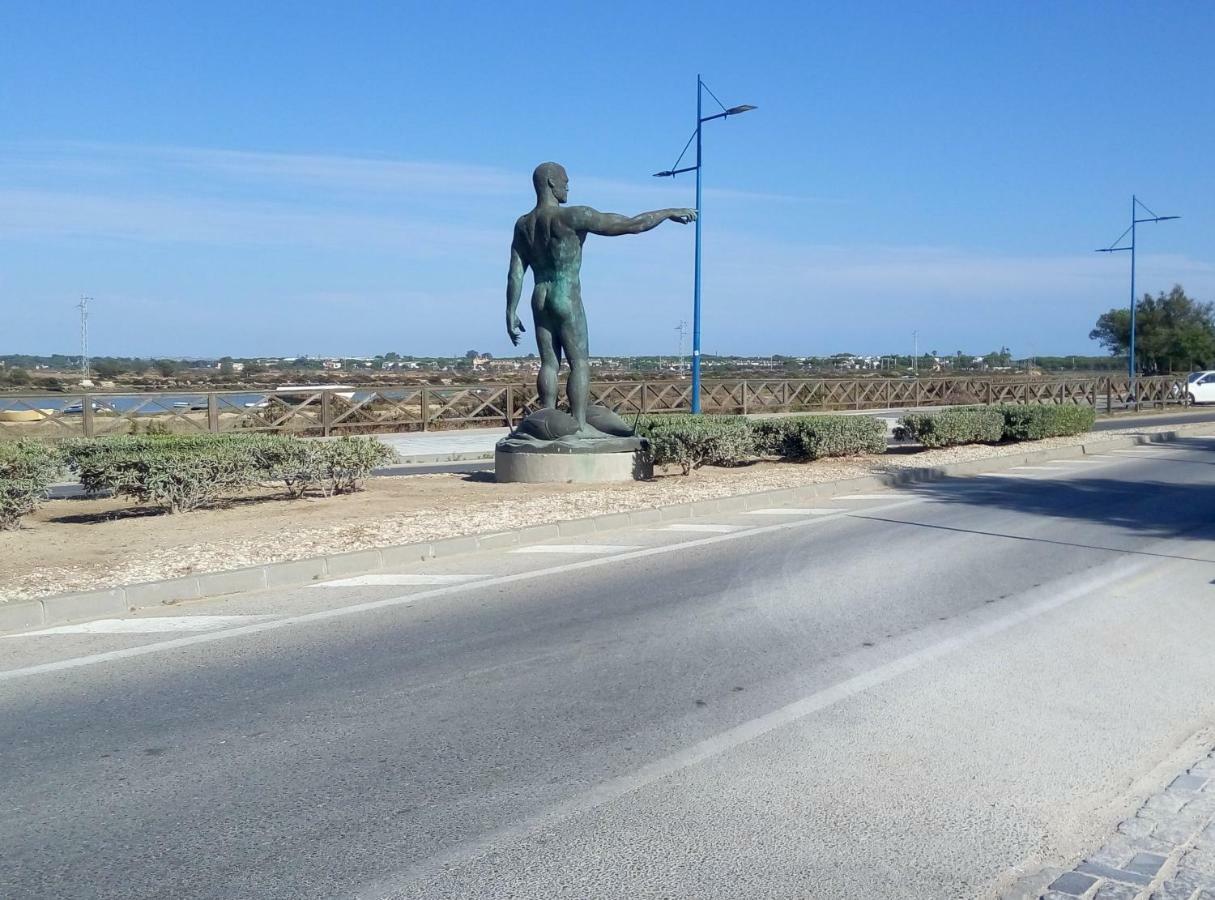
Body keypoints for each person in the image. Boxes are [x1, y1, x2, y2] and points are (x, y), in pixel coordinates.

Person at [506, 161, 695, 437]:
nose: (568, 186)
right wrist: (668, 212)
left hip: (539, 297)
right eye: (565, 181)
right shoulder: (572, 216)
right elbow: (631, 225)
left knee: (549, 363)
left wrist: (510, 311)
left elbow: (515, 272)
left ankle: (546, 422)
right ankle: (579, 427)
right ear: (550, 183)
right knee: (579, 362)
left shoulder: (524, 225)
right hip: (565, 294)